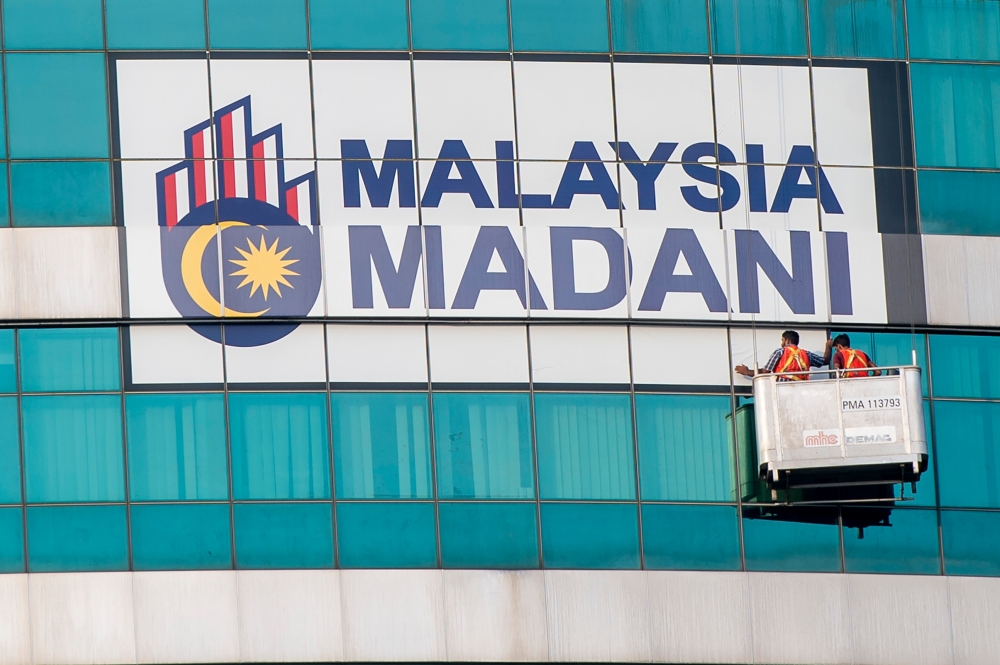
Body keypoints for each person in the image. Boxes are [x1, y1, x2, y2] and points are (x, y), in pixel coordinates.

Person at [735, 330, 832, 381]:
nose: (781, 343)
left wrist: (747, 371)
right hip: (801, 389)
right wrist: (828, 347)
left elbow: (765, 371)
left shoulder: (780, 352)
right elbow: (826, 360)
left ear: (787, 341)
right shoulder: (806, 354)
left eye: (782, 340)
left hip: (782, 389)